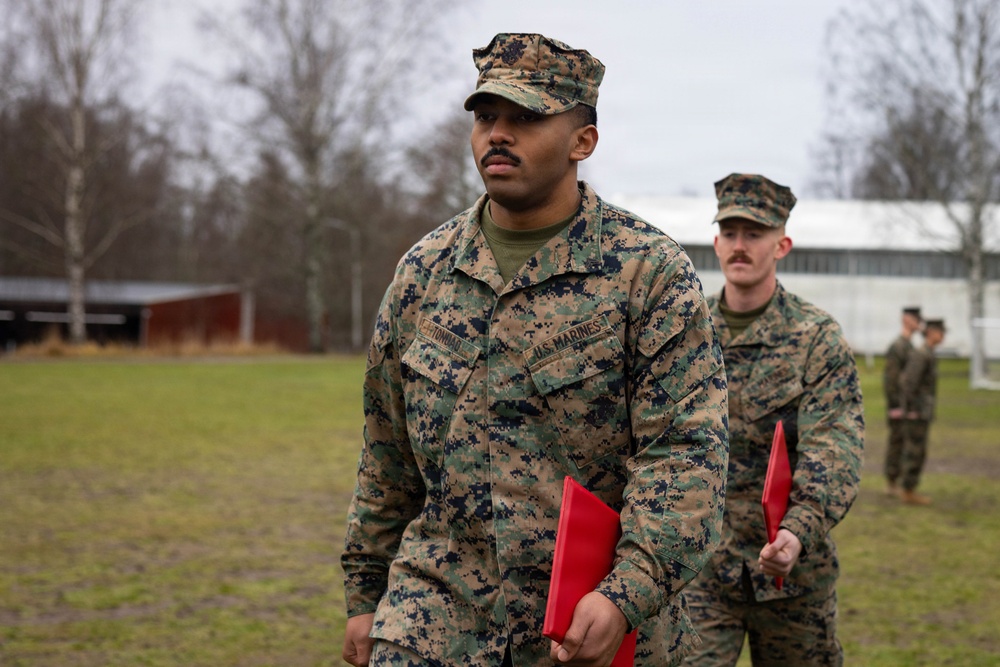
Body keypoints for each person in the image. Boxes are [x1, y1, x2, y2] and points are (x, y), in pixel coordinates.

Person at [340, 33, 730, 667]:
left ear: (583, 141)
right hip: (436, 620)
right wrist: (365, 592)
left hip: (588, 625)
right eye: (487, 117)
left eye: (526, 118)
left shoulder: (647, 273)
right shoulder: (424, 273)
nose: (499, 134)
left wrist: (626, 594)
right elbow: (386, 451)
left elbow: (686, 452)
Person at [682, 173, 865, 666]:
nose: (741, 246)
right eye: (731, 233)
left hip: (793, 575)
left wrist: (800, 528)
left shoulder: (815, 338)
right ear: (716, 242)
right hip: (703, 570)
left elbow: (836, 446)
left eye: (755, 234)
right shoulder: (684, 335)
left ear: (781, 244)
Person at [897, 318, 946, 506]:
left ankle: (909, 488)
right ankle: (907, 490)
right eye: (941, 332)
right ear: (932, 332)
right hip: (916, 413)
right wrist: (912, 409)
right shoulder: (921, 354)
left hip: (922, 411)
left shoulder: (928, 353)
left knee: (919, 451)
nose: (943, 336)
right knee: (914, 451)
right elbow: (908, 383)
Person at [882, 306, 922, 497]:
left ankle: (900, 480)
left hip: (909, 405)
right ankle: (891, 481)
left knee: (906, 442)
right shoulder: (897, 347)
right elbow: (891, 379)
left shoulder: (910, 346)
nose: (919, 324)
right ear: (906, 320)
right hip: (898, 405)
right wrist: (895, 406)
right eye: (915, 319)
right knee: (896, 441)